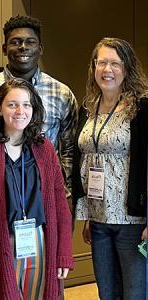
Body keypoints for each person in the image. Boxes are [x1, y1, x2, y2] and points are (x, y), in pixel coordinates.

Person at [0, 78, 74, 300]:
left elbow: (60, 203)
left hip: (39, 241)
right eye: (12, 104)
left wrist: (63, 252)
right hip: (0, 243)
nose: (20, 111)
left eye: (27, 104)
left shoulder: (45, 149)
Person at [0, 15, 77, 202]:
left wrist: (65, 193)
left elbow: (69, 151)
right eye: (15, 42)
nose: (23, 47)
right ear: (4, 48)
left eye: (30, 42)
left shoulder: (62, 94)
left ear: (40, 49)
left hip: (47, 194)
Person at [72, 37, 148, 300]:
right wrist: (86, 213)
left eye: (115, 63)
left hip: (133, 221)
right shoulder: (88, 108)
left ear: (127, 68)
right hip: (99, 219)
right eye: (101, 62)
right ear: (93, 67)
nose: (107, 69)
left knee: (135, 293)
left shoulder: (142, 107)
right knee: (107, 293)